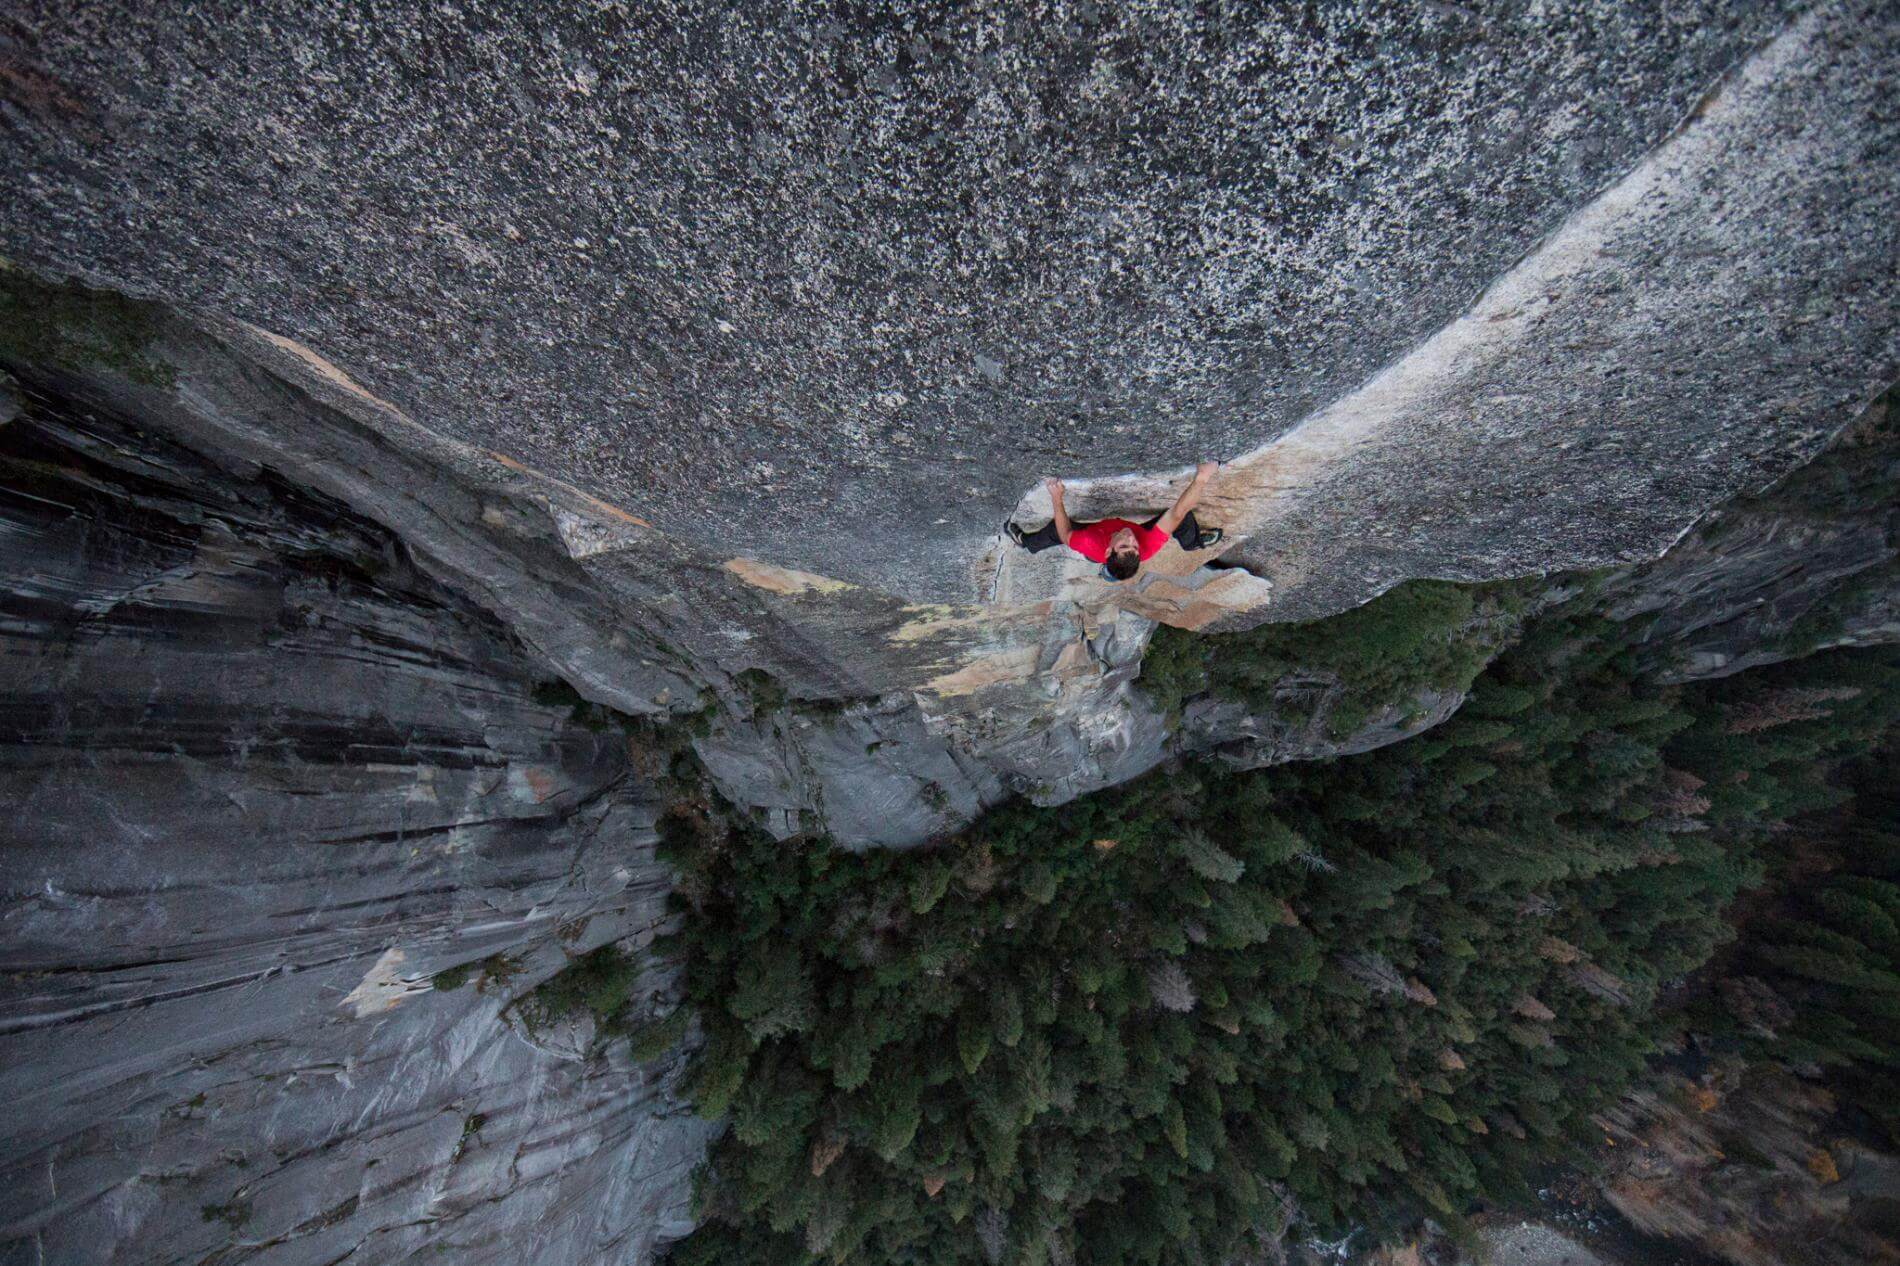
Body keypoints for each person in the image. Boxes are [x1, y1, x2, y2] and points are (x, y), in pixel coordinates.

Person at [1008, 461, 1224, 582]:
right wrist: (1202, 478)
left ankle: (1026, 542)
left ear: (1109, 552)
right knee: (1181, 519)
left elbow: (1065, 534)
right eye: (1133, 546)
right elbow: (1177, 512)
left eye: (1123, 545)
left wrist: (1056, 497)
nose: (1130, 538)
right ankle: (1193, 543)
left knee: (1055, 531)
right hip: (1118, 543)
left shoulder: (1089, 543)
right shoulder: (1146, 546)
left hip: (1100, 539)